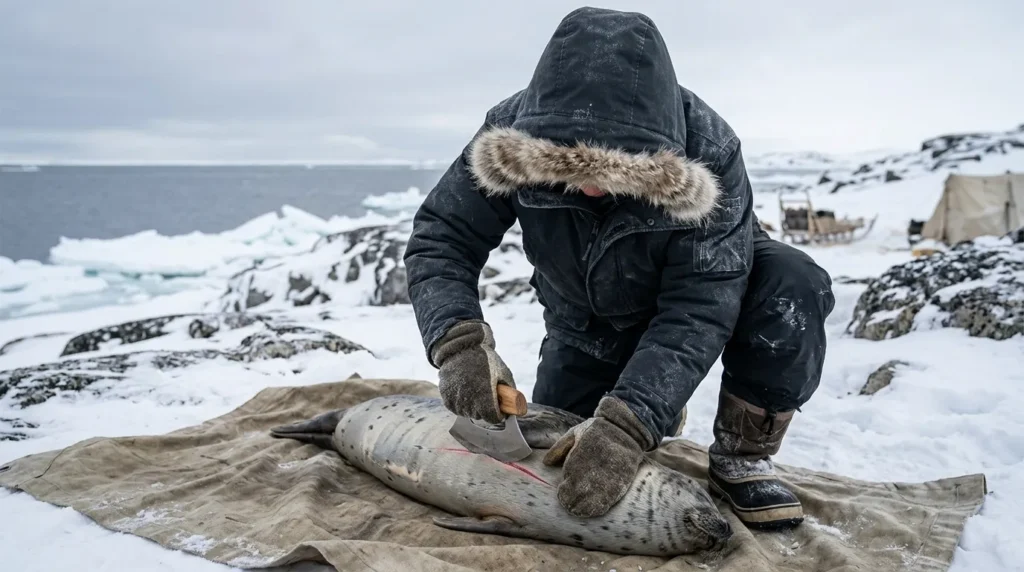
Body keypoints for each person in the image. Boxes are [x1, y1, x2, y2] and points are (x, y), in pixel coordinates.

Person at [403, 7, 834, 530]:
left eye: (615, 166)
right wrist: (458, 343)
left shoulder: (710, 151)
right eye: (568, 163)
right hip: (585, 322)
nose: (590, 188)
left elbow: (699, 304)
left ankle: (740, 455)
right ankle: (645, 397)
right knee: (561, 461)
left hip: (703, 290)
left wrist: (632, 423)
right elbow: (442, 237)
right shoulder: (510, 137)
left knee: (791, 283)